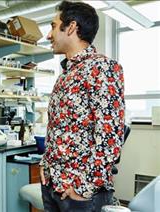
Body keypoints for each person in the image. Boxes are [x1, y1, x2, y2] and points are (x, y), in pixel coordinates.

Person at [39, 1, 125, 211]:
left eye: (52, 26)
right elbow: (58, 129)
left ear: (71, 27)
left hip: (80, 194)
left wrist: (82, 188)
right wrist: (45, 163)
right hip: (53, 185)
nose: (48, 35)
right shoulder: (65, 75)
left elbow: (110, 136)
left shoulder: (102, 68)